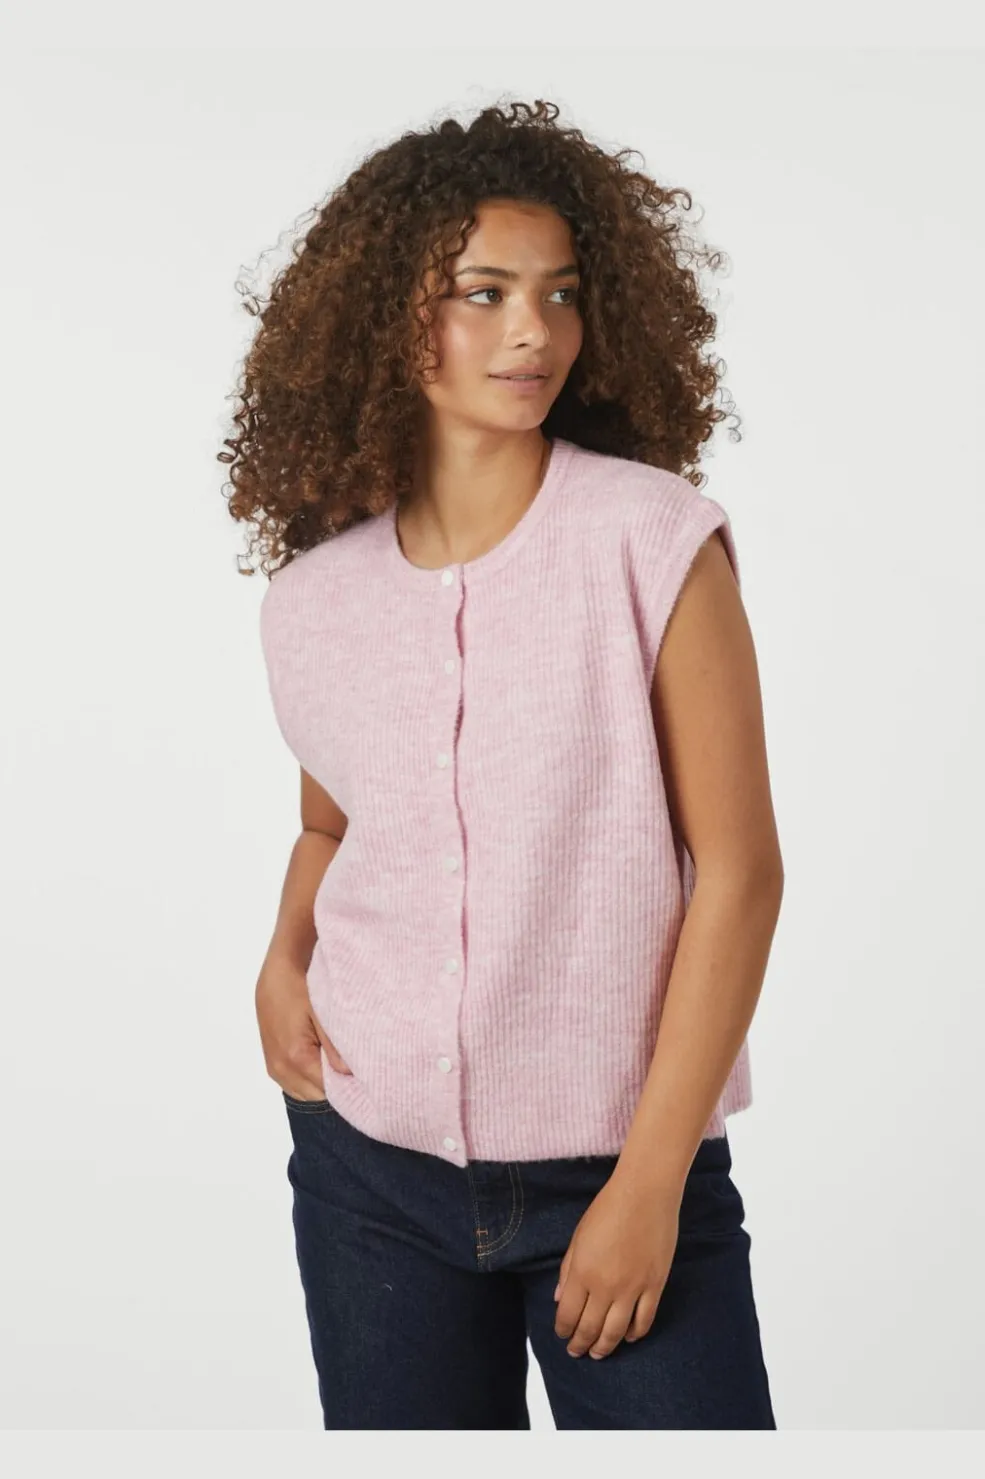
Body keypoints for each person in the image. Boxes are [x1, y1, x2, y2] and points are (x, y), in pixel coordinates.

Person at [220, 97, 783, 1430]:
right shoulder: (314, 599)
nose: (534, 330)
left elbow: (741, 874)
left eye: (560, 293)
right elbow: (331, 828)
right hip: (367, 1173)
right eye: (484, 294)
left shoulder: (652, 542)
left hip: (620, 1166)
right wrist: (283, 958)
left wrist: (650, 1184)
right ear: (383, 320)